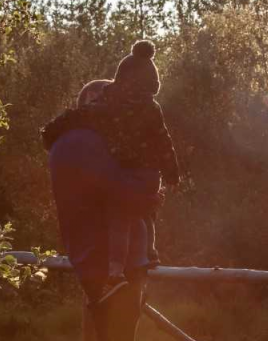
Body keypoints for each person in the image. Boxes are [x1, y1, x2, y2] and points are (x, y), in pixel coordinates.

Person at [45, 78, 160, 341]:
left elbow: (116, 192)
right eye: (112, 101)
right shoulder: (83, 142)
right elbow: (126, 192)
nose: (120, 111)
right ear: (94, 103)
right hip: (107, 268)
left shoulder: (77, 141)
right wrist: (150, 175)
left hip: (108, 264)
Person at [41, 40, 180, 292]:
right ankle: (144, 256)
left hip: (129, 173)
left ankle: (117, 269)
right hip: (144, 175)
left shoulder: (105, 109)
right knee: (139, 212)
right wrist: (171, 172)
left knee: (121, 216)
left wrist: (50, 134)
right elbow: (164, 140)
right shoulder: (149, 108)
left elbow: (76, 117)